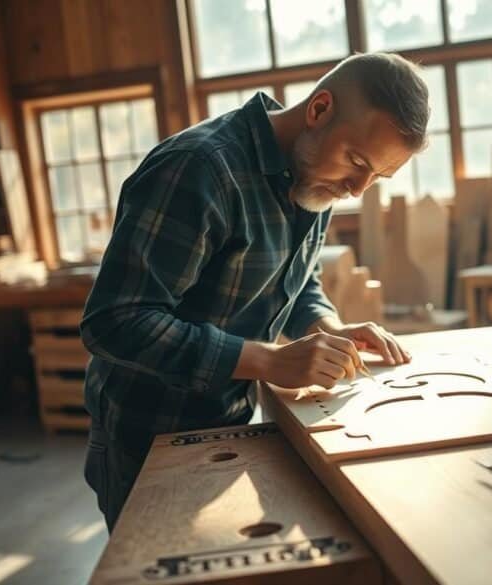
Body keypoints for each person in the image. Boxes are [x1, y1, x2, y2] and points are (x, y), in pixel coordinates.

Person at [80, 52, 430, 530]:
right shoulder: (198, 170)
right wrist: (269, 361)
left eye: (377, 177)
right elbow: (115, 322)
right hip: (146, 434)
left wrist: (328, 328)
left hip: (232, 424)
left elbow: (291, 278)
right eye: (357, 162)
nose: (357, 189)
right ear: (320, 109)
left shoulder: (315, 173)